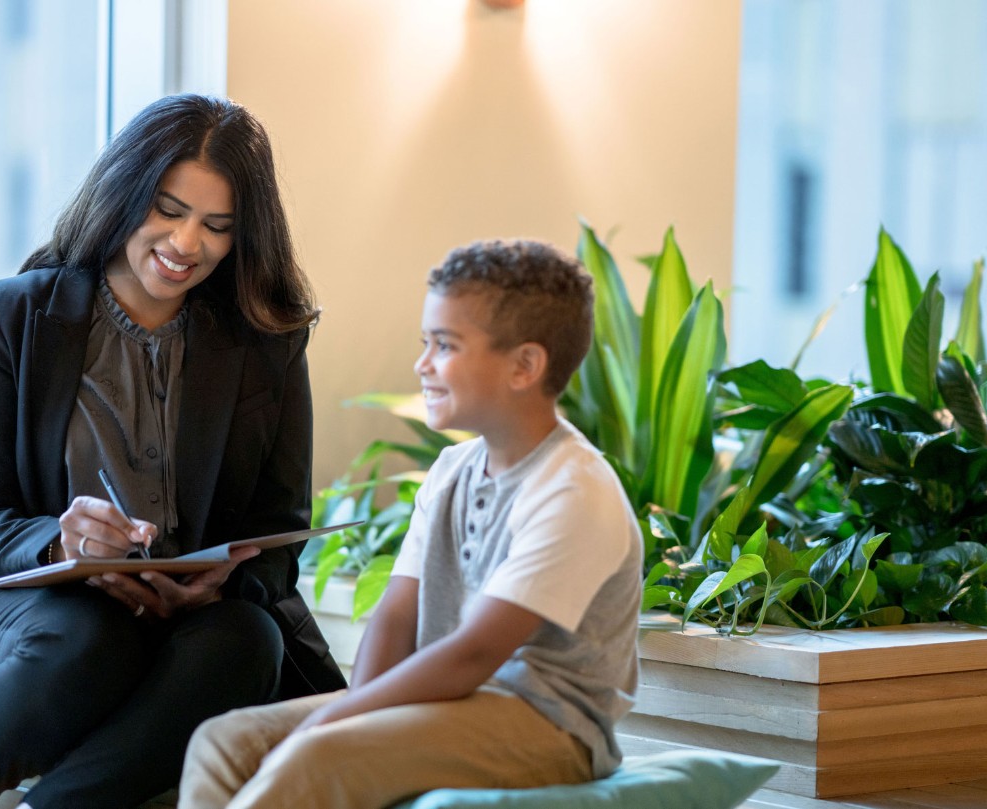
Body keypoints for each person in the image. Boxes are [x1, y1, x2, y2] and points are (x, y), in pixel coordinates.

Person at [0, 94, 347, 809]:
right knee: (91, 635)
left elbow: (280, 536)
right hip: (48, 617)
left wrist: (216, 584)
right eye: (168, 210)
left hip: (201, 623)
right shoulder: (15, 316)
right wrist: (61, 545)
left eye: (217, 227)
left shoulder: (267, 343)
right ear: (124, 192)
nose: (187, 244)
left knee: (249, 638)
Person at [178, 239, 644, 808]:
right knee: (225, 740)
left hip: (548, 727)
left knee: (319, 758)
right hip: (449, 706)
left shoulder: (575, 492)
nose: (422, 364)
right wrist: (353, 708)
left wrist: (341, 724)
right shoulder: (452, 470)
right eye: (426, 343)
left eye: (444, 346)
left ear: (525, 365)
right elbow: (397, 615)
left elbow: (474, 654)